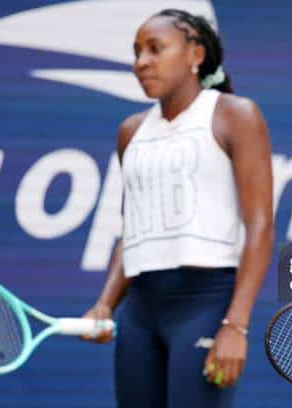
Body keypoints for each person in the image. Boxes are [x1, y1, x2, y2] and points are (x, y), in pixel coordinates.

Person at [80, 8, 274, 408]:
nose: (141, 62)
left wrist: (235, 325)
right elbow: (131, 231)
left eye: (155, 49)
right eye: (136, 52)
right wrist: (104, 304)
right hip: (139, 315)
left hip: (206, 307)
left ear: (195, 55)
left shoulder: (236, 115)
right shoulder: (130, 131)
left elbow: (260, 226)